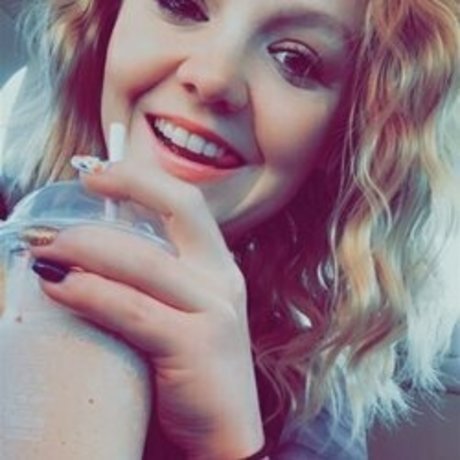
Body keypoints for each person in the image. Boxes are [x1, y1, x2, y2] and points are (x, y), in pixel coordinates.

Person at [1, 0, 459, 458]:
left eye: (295, 60)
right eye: (182, 5)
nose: (214, 77)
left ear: (338, 139)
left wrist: (229, 445)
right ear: (108, 23)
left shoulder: (310, 411)